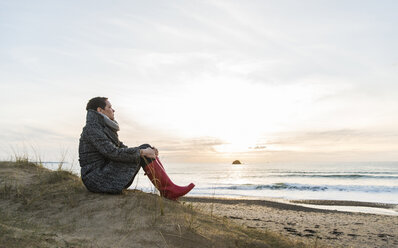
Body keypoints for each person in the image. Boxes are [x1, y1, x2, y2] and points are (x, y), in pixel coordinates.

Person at [78, 97, 195, 200]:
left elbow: (121, 148)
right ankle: (169, 191)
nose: (113, 110)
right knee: (143, 150)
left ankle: (169, 189)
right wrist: (142, 152)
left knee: (145, 148)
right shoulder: (92, 129)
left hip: (104, 173)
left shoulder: (102, 127)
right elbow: (112, 152)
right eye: (110, 107)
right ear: (100, 110)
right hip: (96, 179)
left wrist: (148, 151)